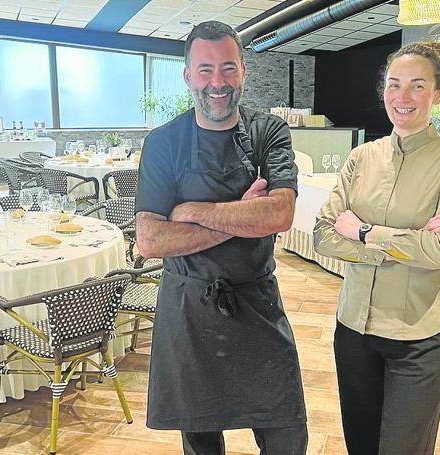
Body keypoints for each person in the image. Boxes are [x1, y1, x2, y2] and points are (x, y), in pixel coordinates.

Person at [135, 20, 307, 455]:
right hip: (189, 310)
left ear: (244, 71)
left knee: (287, 435)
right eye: (206, 69)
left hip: (256, 302)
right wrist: (241, 216)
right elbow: (151, 240)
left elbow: (280, 213)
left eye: (228, 69)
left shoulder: (268, 132)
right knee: (201, 444)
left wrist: (190, 213)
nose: (218, 82)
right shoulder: (163, 143)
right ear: (188, 75)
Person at [314, 41, 440, 455]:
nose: (402, 97)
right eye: (394, 84)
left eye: (417, 85)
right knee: (361, 446)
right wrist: (409, 240)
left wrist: (366, 232)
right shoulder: (360, 158)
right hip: (353, 331)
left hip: (418, 338)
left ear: (438, 92)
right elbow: (322, 235)